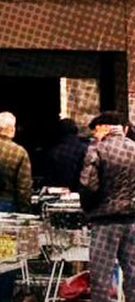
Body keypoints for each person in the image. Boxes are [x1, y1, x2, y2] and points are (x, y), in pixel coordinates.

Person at [80, 112, 135, 302]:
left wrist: (87, 209)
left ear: (103, 127)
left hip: (105, 221)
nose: (94, 135)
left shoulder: (98, 149)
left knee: (101, 277)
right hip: (132, 221)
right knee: (133, 273)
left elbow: (88, 185)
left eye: (95, 130)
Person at [0, 111, 32, 212]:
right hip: (8, 202)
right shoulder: (20, 152)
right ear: (12, 129)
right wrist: (25, 210)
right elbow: (23, 187)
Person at [41, 118, 89, 191]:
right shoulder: (86, 148)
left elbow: (48, 178)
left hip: (59, 191)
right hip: (81, 191)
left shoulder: (53, 151)